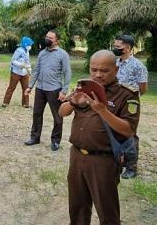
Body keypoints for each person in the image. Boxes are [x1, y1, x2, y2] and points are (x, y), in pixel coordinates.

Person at [59, 50, 140, 224]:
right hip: (77, 156)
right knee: (77, 207)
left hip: (103, 160)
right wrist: (73, 102)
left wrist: (102, 110)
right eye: (94, 69)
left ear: (116, 70)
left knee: (107, 211)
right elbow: (62, 112)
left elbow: (128, 130)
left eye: (104, 71)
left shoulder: (126, 95)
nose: (98, 75)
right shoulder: (84, 88)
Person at [24, 29, 71, 151]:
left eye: (50, 38)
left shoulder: (63, 54)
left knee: (57, 116)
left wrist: (64, 91)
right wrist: (30, 86)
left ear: (57, 41)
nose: (47, 39)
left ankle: (55, 141)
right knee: (37, 114)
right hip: (40, 88)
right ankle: (35, 138)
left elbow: (67, 73)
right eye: (47, 37)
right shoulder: (42, 53)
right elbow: (36, 70)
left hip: (54, 89)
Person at [113, 34, 148, 179]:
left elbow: (143, 88)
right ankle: (119, 161)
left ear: (127, 48)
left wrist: (131, 98)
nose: (114, 49)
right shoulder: (115, 62)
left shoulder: (138, 66)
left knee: (129, 134)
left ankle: (131, 166)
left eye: (117, 47)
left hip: (130, 104)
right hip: (115, 101)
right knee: (115, 130)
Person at [2, 36, 34, 108]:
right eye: (29, 45)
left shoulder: (27, 51)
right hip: (16, 72)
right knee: (11, 87)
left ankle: (26, 104)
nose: (30, 46)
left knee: (26, 88)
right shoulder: (19, 50)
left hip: (25, 73)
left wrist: (29, 69)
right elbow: (13, 61)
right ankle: (5, 103)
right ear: (25, 44)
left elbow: (27, 61)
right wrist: (21, 65)